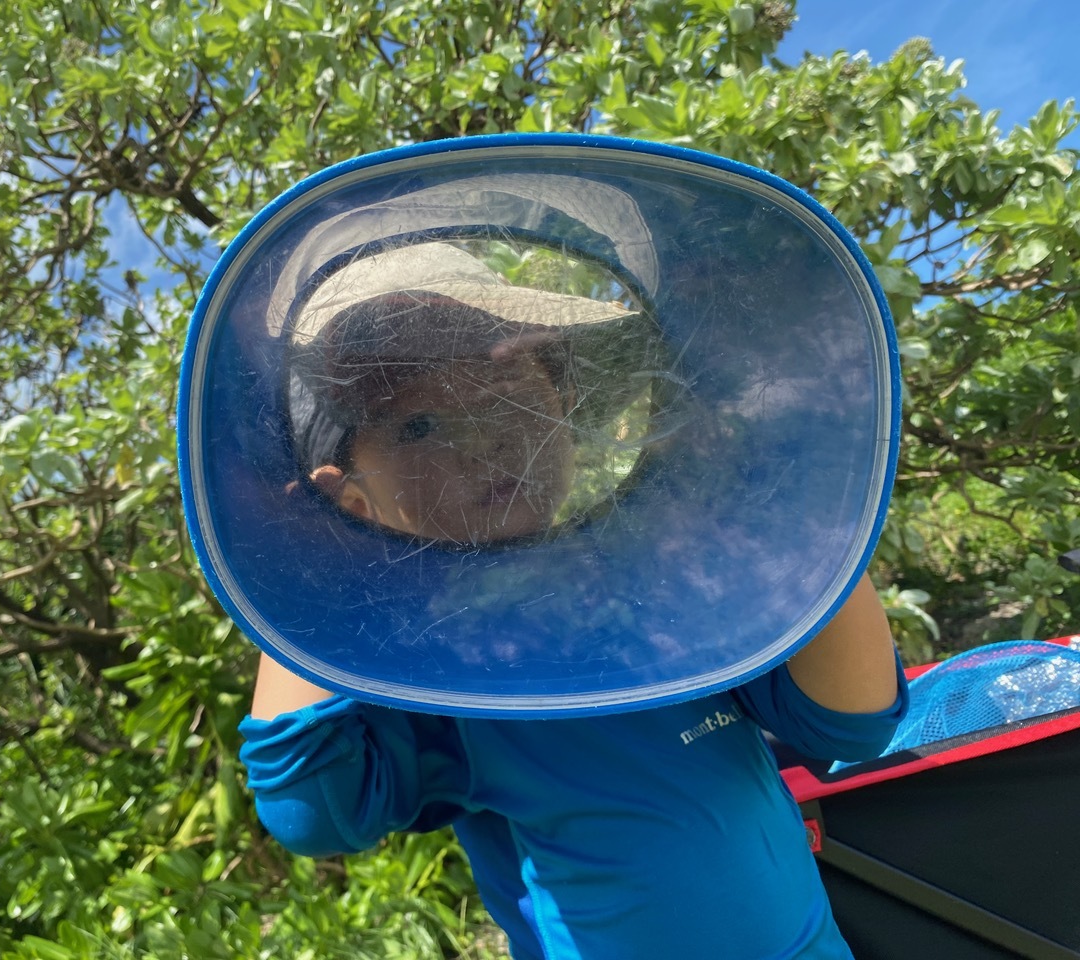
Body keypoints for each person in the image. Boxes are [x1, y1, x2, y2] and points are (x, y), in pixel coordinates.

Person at [239, 242, 907, 959]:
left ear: (566, 406)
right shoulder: (435, 666)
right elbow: (310, 808)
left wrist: (786, 513)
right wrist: (306, 570)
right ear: (354, 501)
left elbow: (854, 720)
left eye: (510, 390)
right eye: (419, 426)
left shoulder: (670, 579)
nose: (488, 438)